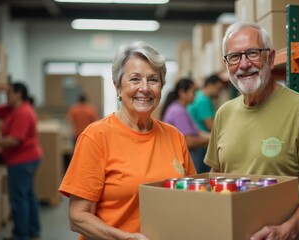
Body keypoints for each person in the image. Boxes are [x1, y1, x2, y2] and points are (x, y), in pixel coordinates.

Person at [204, 21, 299, 240]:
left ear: (271, 57)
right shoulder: (223, 113)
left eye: (253, 53)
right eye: (235, 57)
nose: (244, 64)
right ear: (226, 64)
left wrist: (289, 230)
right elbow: (215, 178)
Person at [59, 41, 196, 240]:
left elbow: (191, 199)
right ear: (117, 87)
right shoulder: (97, 136)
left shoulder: (174, 136)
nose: (145, 88)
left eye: (153, 80)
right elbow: (78, 216)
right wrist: (125, 238)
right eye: (135, 79)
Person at [0, 82, 42, 240]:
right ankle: (32, 230)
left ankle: (20, 235)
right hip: (28, 159)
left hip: (22, 160)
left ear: (18, 94)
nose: (6, 96)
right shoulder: (13, 109)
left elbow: (15, 140)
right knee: (28, 195)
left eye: (9, 93)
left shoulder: (23, 112)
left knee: (18, 198)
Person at [161, 78, 210, 173]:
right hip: (183, 158)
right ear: (182, 93)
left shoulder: (180, 108)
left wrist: (212, 137)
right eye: (193, 91)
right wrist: (211, 140)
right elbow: (189, 141)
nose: (195, 95)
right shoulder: (178, 112)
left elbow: (197, 132)